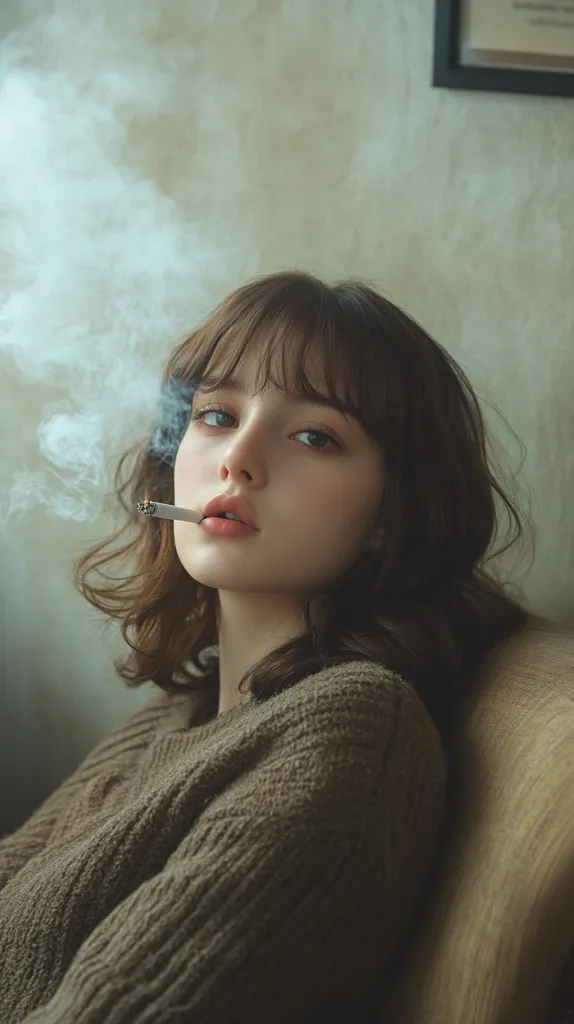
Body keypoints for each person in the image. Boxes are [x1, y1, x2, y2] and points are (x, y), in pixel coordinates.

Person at [0, 270, 534, 1023]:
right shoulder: (176, 715)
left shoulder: (349, 726)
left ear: (389, 514)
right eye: (217, 414)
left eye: (316, 435)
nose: (238, 460)